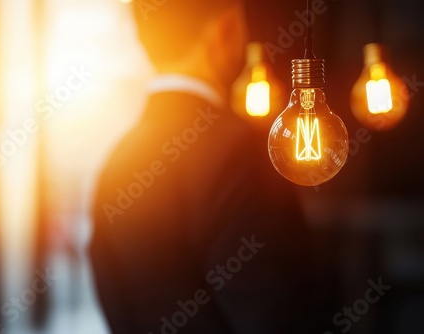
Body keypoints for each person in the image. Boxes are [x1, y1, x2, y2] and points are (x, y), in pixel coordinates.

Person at [90, 0, 317, 333]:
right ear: (227, 29)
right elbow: (273, 311)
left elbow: (115, 298)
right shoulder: (238, 150)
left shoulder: (116, 161)